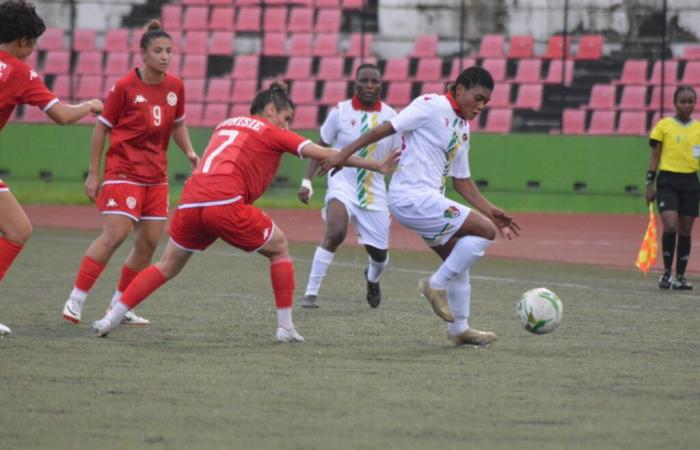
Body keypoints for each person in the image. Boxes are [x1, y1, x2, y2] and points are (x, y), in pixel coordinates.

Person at [89, 82, 398, 342]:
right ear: (270, 110)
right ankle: (285, 327)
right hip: (224, 203)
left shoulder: (225, 123)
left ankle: (110, 318)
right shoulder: (269, 130)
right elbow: (329, 153)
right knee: (279, 249)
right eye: (286, 118)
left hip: (192, 202)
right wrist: (376, 165)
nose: (287, 126)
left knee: (167, 265)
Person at [321, 66, 520, 346]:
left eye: (486, 102)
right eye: (478, 98)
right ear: (459, 89)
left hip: (428, 201)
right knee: (484, 232)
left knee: (459, 261)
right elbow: (385, 128)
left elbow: (462, 181)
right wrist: (342, 154)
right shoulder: (431, 105)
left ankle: (459, 329)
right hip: (410, 197)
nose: (481, 106)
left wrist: (491, 210)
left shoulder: (462, 128)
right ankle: (435, 285)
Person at [61, 20, 198, 326]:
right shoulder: (124, 87)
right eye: (158, 51)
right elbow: (101, 130)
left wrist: (188, 151)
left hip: (156, 177)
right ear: (143, 54)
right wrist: (93, 174)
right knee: (115, 234)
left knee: (149, 243)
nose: (165, 56)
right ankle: (76, 298)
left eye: (169, 51)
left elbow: (178, 124)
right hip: (123, 172)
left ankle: (119, 306)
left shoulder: (176, 87)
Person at [0, 0, 103, 335]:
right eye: (33, 43)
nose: (32, 50)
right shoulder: (19, 71)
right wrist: (89, 105)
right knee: (18, 230)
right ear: (23, 42)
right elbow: (61, 115)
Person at [297, 63, 400, 309]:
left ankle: (372, 277)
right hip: (342, 182)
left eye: (374, 81)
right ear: (355, 83)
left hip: (374, 191)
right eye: (364, 80)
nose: (369, 85)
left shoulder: (392, 118)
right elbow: (320, 147)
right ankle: (310, 294)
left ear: (380, 85)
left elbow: (399, 155)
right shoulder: (340, 112)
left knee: (380, 255)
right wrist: (307, 181)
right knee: (335, 232)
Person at [646, 85, 699, 290]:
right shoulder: (664, 126)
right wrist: (649, 183)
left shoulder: (698, 129)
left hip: (690, 182)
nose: (686, 105)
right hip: (668, 181)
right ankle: (666, 273)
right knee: (670, 225)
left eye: (690, 101)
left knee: (686, 229)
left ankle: (680, 277)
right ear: (674, 103)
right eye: (682, 101)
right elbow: (654, 157)